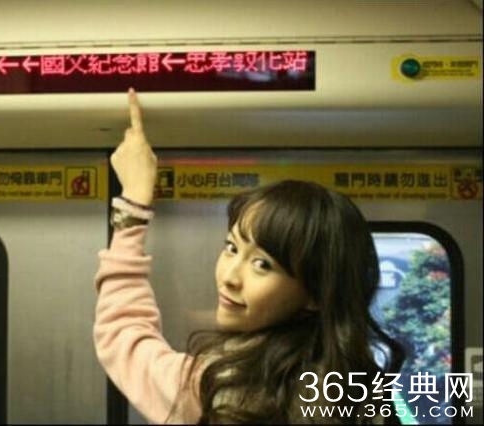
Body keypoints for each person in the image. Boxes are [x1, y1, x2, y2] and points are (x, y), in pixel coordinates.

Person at [93, 88, 405, 424]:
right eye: (232, 248)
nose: (230, 276)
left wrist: (134, 202)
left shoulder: (221, 390)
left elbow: (124, 337)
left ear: (316, 294)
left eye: (262, 265)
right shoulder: (360, 393)